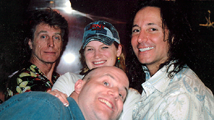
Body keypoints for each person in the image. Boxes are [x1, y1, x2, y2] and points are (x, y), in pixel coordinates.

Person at [125, 0, 214, 119]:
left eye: (152, 29)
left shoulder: (180, 97)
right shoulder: (157, 81)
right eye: (136, 30)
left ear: (174, 36)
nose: (140, 38)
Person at [51, 21, 141, 120]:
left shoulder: (131, 97)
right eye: (90, 49)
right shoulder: (68, 81)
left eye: (104, 47)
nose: (97, 55)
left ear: (118, 50)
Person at [0, 66, 129, 120]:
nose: (115, 94)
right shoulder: (50, 108)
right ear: (79, 86)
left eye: (121, 95)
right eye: (106, 83)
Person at [4, 8, 68, 101]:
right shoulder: (23, 79)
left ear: (62, 44)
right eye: (43, 36)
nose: (51, 44)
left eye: (56, 37)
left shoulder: (58, 79)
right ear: (30, 42)